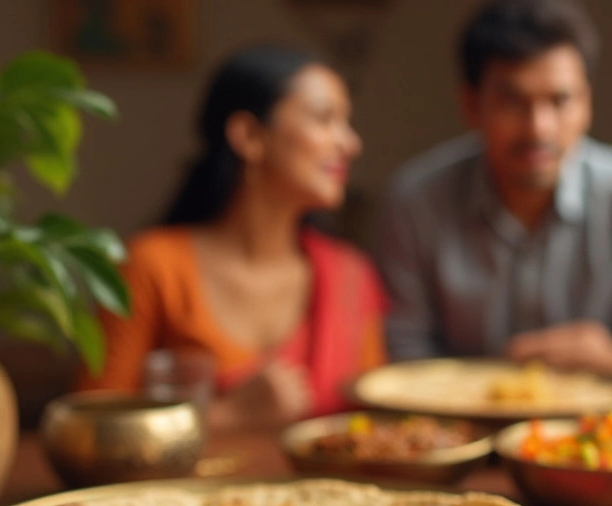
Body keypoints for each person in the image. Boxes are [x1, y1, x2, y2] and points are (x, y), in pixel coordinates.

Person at [374, 0, 612, 390]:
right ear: (470, 105)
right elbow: (399, 359)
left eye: (560, 101)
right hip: (455, 438)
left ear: (586, 104)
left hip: (605, 440)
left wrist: (607, 357)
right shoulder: (416, 203)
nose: (538, 128)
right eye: (512, 102)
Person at [78, 46, 386, 431]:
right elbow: (90, 431)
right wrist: (227, 416)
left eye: (346, 122)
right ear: (250, 136)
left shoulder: (350, 276)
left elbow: (373, 430)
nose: (350, 144)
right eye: (324, 119)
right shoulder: (151, 266)